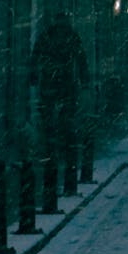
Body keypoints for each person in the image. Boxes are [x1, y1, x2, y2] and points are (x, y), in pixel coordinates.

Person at [30, 11, 90, 181]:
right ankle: (64, 154)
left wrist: (35, 76)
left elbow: (36, 55)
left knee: (51, 121)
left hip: (52, 83)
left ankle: (52, 152)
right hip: (64, 84)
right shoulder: (70, 36)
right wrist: (84, 80)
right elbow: (81, 59)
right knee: (66, 122)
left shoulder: (48, 36)